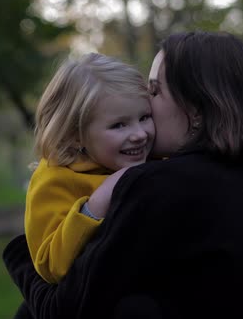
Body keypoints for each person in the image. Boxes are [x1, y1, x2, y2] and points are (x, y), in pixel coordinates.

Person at [4, 31, 243, 319]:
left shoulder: (158, 185)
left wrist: (21, 255)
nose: (144, 115)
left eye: (155, 92)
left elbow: (63, 309)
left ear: (197, 110)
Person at [14, 52, 155, 318]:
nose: (139, 134)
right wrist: (95, 205)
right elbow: (50, 265)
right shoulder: (54, 180)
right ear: (75, 134)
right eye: (118, 125)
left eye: (145, 117)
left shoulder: (155, 160)